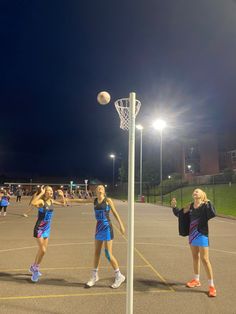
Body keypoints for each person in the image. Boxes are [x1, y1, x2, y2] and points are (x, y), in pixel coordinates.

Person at [171, 188, 217, 297]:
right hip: (192, 235)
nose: (195, 192)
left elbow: (213, 213)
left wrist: (208, 202)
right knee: (195, 257)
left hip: (201, 235)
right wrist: (174, 207)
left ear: (202, 195)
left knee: (205, 259)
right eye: (194, 191)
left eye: (197, 191)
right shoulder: (190, 206)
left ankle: (211, 286)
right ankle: (196, 280)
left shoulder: (205, 206)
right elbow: (180, 214)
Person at [85, 185, 126, 289]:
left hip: (107, 227)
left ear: (104, 191)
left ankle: (119, 276)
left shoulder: (108, 200)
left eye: (101, 188)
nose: (100, 189)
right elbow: (80, 200)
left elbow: (115, 213)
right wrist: (64, 197)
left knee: (108, 254)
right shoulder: (94, 201)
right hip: (98, 228)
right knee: (96, 253)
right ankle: (94, 276)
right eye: (98, 188)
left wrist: (121, 224)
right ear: (95, 191)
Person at [29, 185, 66, 282]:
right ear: (45, 192)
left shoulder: (51, 201)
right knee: (43, 250)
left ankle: (33, 266)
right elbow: (33, 203)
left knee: (41, 251)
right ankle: (35, 270)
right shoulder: (42, 201)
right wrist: (40, 193)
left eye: (51, 190)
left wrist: (62, 195)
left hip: (47, 229)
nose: (51, 192)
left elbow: (63, 204)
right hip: (39, 229)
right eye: (48, 190)